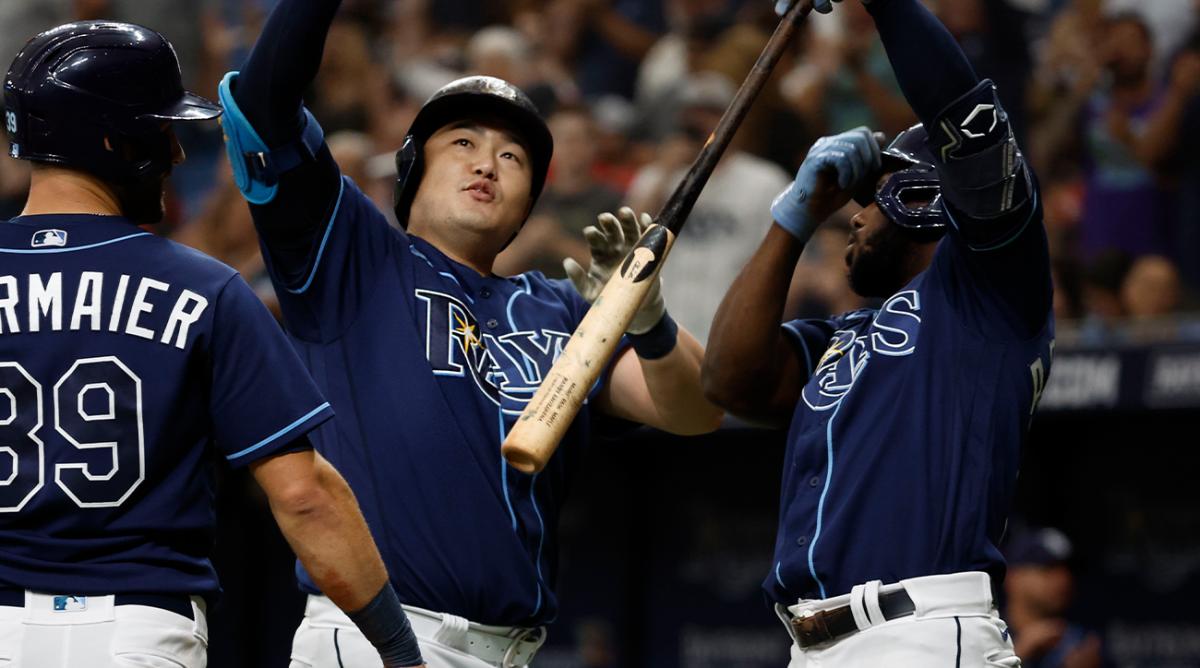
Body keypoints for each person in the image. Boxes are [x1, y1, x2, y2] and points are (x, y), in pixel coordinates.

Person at [219, 1, 722, 666]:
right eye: (463, 143)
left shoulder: (560, 308)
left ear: (527, 203)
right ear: (411, 171)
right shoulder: (351, 254)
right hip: (377, 641)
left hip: (510, 651)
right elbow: (261, 104)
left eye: (511, 156)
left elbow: (693, 411)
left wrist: (651, 319)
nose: (487, 164)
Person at [0, 22, 424, 668]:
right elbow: (304, 495)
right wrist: (399, 650)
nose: (174, 154)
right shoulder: (205, 287)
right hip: (137, 629)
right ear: (113, 140)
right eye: (161, 130)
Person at [703, 0, 1055, 664]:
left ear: (922, 196)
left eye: (871, 198)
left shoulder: (988, 289)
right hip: (815, 640)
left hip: (919, 628)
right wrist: (793, 218)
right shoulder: (844, 332)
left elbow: (966, 118)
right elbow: (729, 378)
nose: (853, 217)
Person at [1003, 528, 1103, 668]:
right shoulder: (984, 632)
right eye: (1048, 568)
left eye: (1067, 569)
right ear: (1012, 577)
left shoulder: (1082, 641)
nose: (1063, 579)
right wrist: (1017, 656)